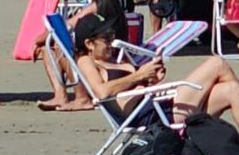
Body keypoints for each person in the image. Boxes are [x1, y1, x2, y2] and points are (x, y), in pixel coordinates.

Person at [74, 13, 239, 125]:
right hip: (154, 114)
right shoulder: (86, 61)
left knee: (231, 89)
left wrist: (152, 78)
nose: (111, 42)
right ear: (89, 44)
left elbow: (136, 85)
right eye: (106, 38)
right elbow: (102, 92)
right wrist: (139, 75)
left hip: (163, 103)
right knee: (217, 63)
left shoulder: (114, 60)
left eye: (111, 36)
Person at [35, 0, 124, 111]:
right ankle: (60, 96)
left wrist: (37, 41)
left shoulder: (95, 7)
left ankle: (81, 98)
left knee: (60, 47)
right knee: (52, 47)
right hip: (114, 54)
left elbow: (64, 27)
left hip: (103, 60)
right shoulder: (114, 4)